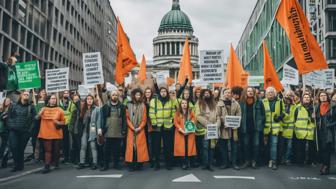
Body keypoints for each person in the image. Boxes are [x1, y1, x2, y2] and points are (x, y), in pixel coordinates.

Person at [6, 90, 36, 172]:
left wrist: (29, 130)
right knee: (14, 147)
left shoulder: (31, 107)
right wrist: (10, 125)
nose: (27, 95)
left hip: (25, 131)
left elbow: (34, 119)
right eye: (25, 94)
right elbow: (9, 116)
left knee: (21, 148)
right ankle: (17, 164)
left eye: (28, 94)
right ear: (21, 96)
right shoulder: (13, 105)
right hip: (14, 130)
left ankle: (20, 165)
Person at [150, 82, 176, 170]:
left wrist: (172, 121)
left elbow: (173, 112)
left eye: (165, 91)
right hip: (157, 127)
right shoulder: (154, 101)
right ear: (159, 92)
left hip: (167, 126)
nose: (163, 93)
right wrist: (154, 123)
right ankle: (157, 163)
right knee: (156, 146)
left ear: (167, 92)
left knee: (167, 146)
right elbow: (152, 113)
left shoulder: (171, 101)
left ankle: (168, 163)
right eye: (162, 91)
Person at [37, 94, 65, 174]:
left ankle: (56, 163)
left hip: (56, 133)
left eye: (55, 99)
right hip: (46, 133)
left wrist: (58, 122)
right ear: (48, 100)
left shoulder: (59, 109)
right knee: (47, 150)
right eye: (52, 98)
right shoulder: (43, 109)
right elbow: (36, 118)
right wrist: (40, 113)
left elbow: (64, 122)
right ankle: (47, 166)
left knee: (56, 151)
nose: (54, 100)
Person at [100, 90, 126, 171]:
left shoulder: (122, 106)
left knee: (117, 150)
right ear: (110, 96)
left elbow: (124, 119)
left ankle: (116, 164)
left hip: (118, 130)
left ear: (118, 96)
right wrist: (101, 129)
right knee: (106, 150)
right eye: (113, 95)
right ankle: (106, 165)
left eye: (116, 95)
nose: (114, 96)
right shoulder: (105, 106)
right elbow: (102, 119)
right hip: (108, 131)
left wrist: (124, 129)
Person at [195, 89, 220, 171]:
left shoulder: (215, 104)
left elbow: (218, 116)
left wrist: (217, 124)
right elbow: (198, 116)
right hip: (205, 128)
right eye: (205, 93)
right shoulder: (199, 103)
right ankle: (205, 164)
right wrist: (208, 124)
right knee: (205, 146)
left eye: (208, 93)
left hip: (214, 129)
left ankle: (210, 164)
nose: (207, 94)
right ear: (202, 94)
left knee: (212, 147)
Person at [240, 87, 265, 169]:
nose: (250, 92)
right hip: (245, 127)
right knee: (246, 145)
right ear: (245, 92)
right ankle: (247, 161)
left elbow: (263, 115)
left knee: (256, 145)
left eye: (251, 91)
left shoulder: (259, 102)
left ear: (254, 93)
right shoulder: (242, 102)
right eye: (248, 91)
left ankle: (254, 161)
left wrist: (260, 123)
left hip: (256, 128)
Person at [217, 88, 242, 170]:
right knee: (223, 147)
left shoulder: (236, 103)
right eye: (226, 92)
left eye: (229, 93)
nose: (227, 94)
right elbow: (217, 116)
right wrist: (225, 122)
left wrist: (235, 124)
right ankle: (225, 163)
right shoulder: (219, 104)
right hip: (223, 128)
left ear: (231, 94)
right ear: (223, 94)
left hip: (234, 129)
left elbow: (239, 114)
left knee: (234, 147)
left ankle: (234, 163)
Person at [125, 88, 149, 171]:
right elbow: (127, 118)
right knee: (132, 148)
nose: (138, 96)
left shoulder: (143, 105)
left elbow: (144, 119)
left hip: (140, 129)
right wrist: (132, 127)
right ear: (133, 95)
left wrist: (139, 127)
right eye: (136, 95)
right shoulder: (128, 105)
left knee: (140, 147)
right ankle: (131, 165)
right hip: (131, 130)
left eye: (139, 95)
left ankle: (139, 164)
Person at [262, 87, 285, 170]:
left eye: (272, 92)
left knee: (274, 145)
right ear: (266, 93)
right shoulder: (263, 101)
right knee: (265, 145)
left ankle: (273, 161)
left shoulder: (280, 101)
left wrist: (280, 117)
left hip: (275, 128)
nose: (270, 93)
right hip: (265, 127)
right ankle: (265, 161)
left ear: (275, 93)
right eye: (268, 92)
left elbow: (284, 112)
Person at [315, 91, 336, 175]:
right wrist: (313, 116)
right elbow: (315, 119)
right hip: (319, 131)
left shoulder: (333, 106)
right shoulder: (317, 107)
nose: (323, 97)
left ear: (327, 96)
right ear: (319, 97)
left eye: (324, 95)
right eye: (321, 96)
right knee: (321, 149)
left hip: (329, 131)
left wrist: (329, 125)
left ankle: (326, 167)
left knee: (326, 149)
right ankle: (324, 165)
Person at [77, 95, 100, 170]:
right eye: (88, 99)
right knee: (83, 146)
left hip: (93, 130)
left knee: (93, 146)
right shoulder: (83, 109)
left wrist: (99, 129)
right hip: (84, 130)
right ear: (86, 100)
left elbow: (98, 120)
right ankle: (82, 162)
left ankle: (95, 163)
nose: (89, 100)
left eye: (91, 99)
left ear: (93, 100)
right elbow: (80, 120)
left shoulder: (96, 109)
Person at [293, 93, 316, 166]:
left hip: (310, 131)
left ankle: (310, 161)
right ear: (302, 99)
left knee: (311, 148)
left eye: (308, 97)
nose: (307, 98)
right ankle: (300, 161)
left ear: (310, 99)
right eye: (305, 97)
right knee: (300, 148)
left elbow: (316, 120)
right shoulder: (297, 107)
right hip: (300, 131)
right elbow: (294, 118)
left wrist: (313, 118)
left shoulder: (314, 108)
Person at [174, 99, 197, 170]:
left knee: (189, 148)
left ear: (187, 104)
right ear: (180, 105)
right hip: (180, 133)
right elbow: (175, 122)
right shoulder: (177, 112)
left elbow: (194, 120)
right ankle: (183, 163)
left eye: (185, 103)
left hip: (189, 132)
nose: (184, 104)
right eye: (182, 103)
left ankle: (189, 162)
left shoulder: (190, 112)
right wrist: (181, 130)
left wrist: (189, 129)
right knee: (182, 149)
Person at [279, 90, 297, 165]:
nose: (288, 98)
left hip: (290, 129)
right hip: (282, 128)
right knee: (282, 146)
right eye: (287, 96)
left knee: (289, 147)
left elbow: (293, 117)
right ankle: (281, 159)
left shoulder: (294, 106)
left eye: (290, 96)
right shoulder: (281, 105)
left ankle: (287, 159)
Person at [59, 90, 76, 163]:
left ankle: (69, 157)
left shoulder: (72, 104)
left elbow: (73, 114)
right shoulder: (58, 104)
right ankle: (65, 157)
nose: (66, 94)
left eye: (67, 93)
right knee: (63, 143)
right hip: (61, 125)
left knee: (70, 143)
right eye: (64, 93)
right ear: (62, 94)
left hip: (69, 126)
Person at [0, 98, 11, 168]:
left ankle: (4, 161)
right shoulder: (2, 110)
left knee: (6, 146)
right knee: (3, 146)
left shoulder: (11, 110)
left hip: (7, 130)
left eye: (8, 101)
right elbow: (1, 118)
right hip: (2, 130)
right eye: (6, 101)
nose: (7, 102)